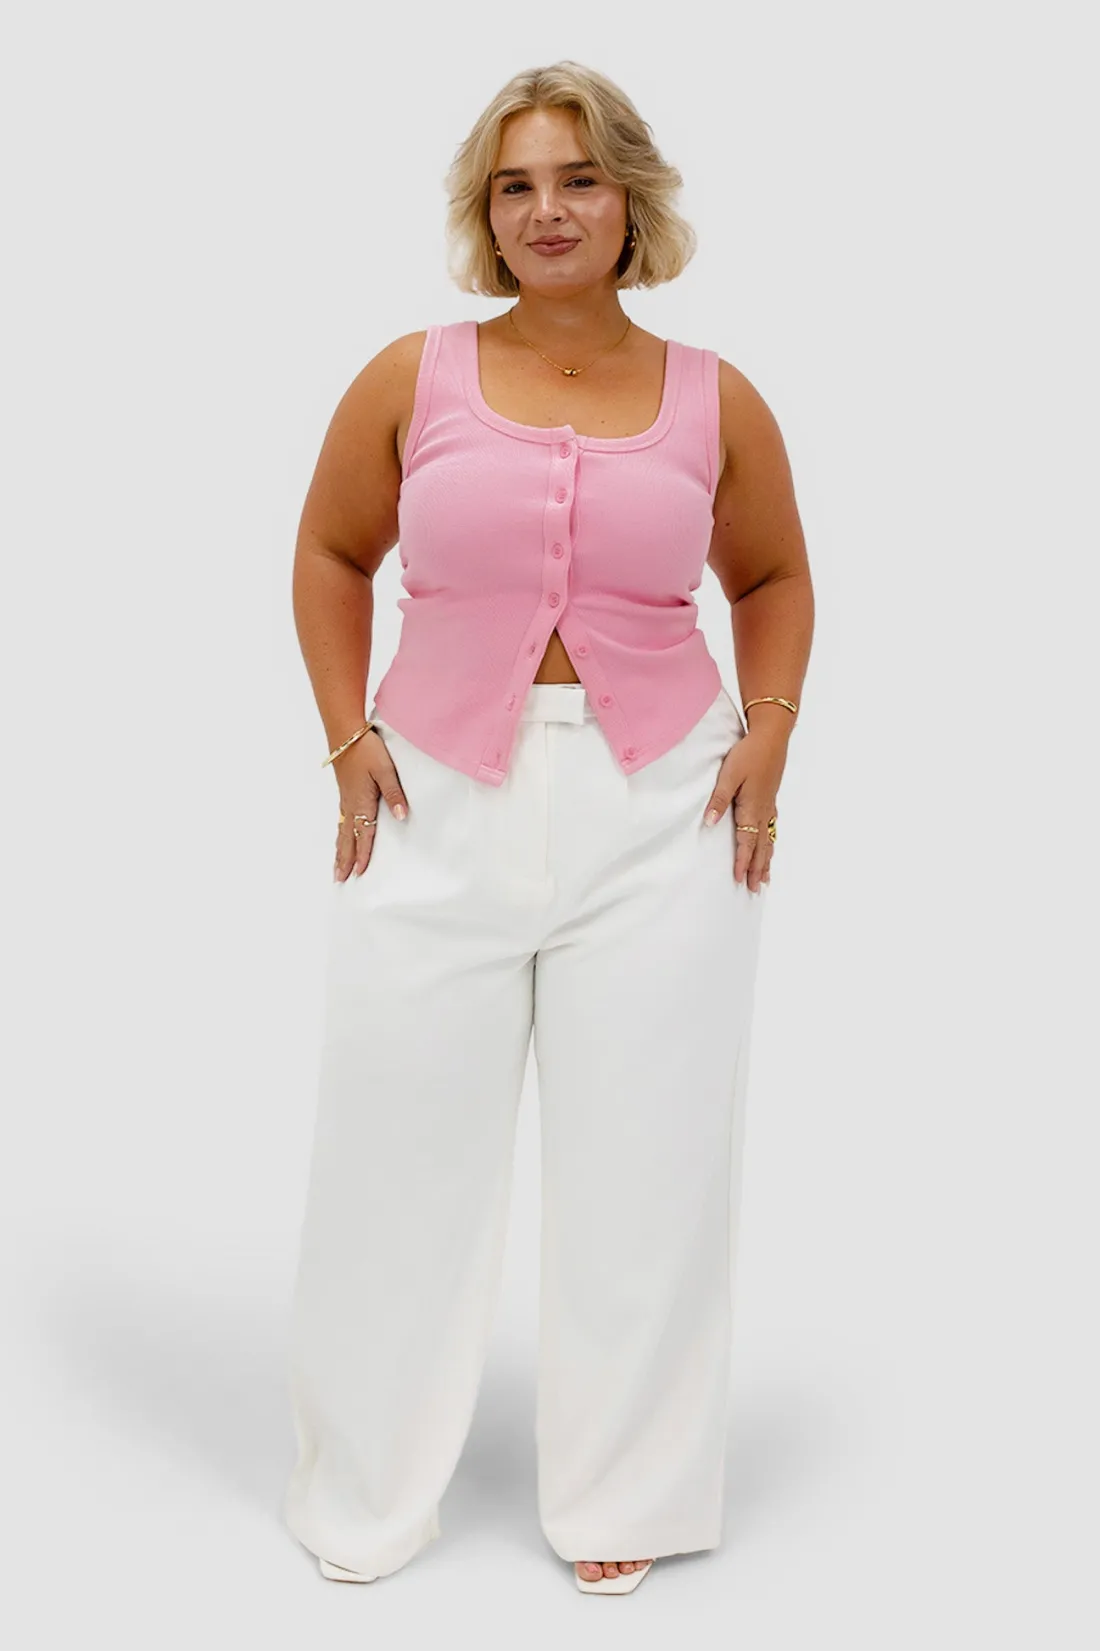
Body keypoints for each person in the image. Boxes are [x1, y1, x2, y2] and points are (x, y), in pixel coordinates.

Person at [282, 60, 814, 1596]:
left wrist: (770, 731)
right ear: (486, 212)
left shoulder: (718, 397)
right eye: (516, 185)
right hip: (435, 798)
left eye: (579, 178)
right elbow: (328, 551)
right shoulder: (412, 377)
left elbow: (772, 578)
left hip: (663, 812)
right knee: (394, 1151)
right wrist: (347, 740)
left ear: (630, 199)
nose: (549, 210)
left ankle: (625, 1486)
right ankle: (363, 1489)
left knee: (649, 1158)